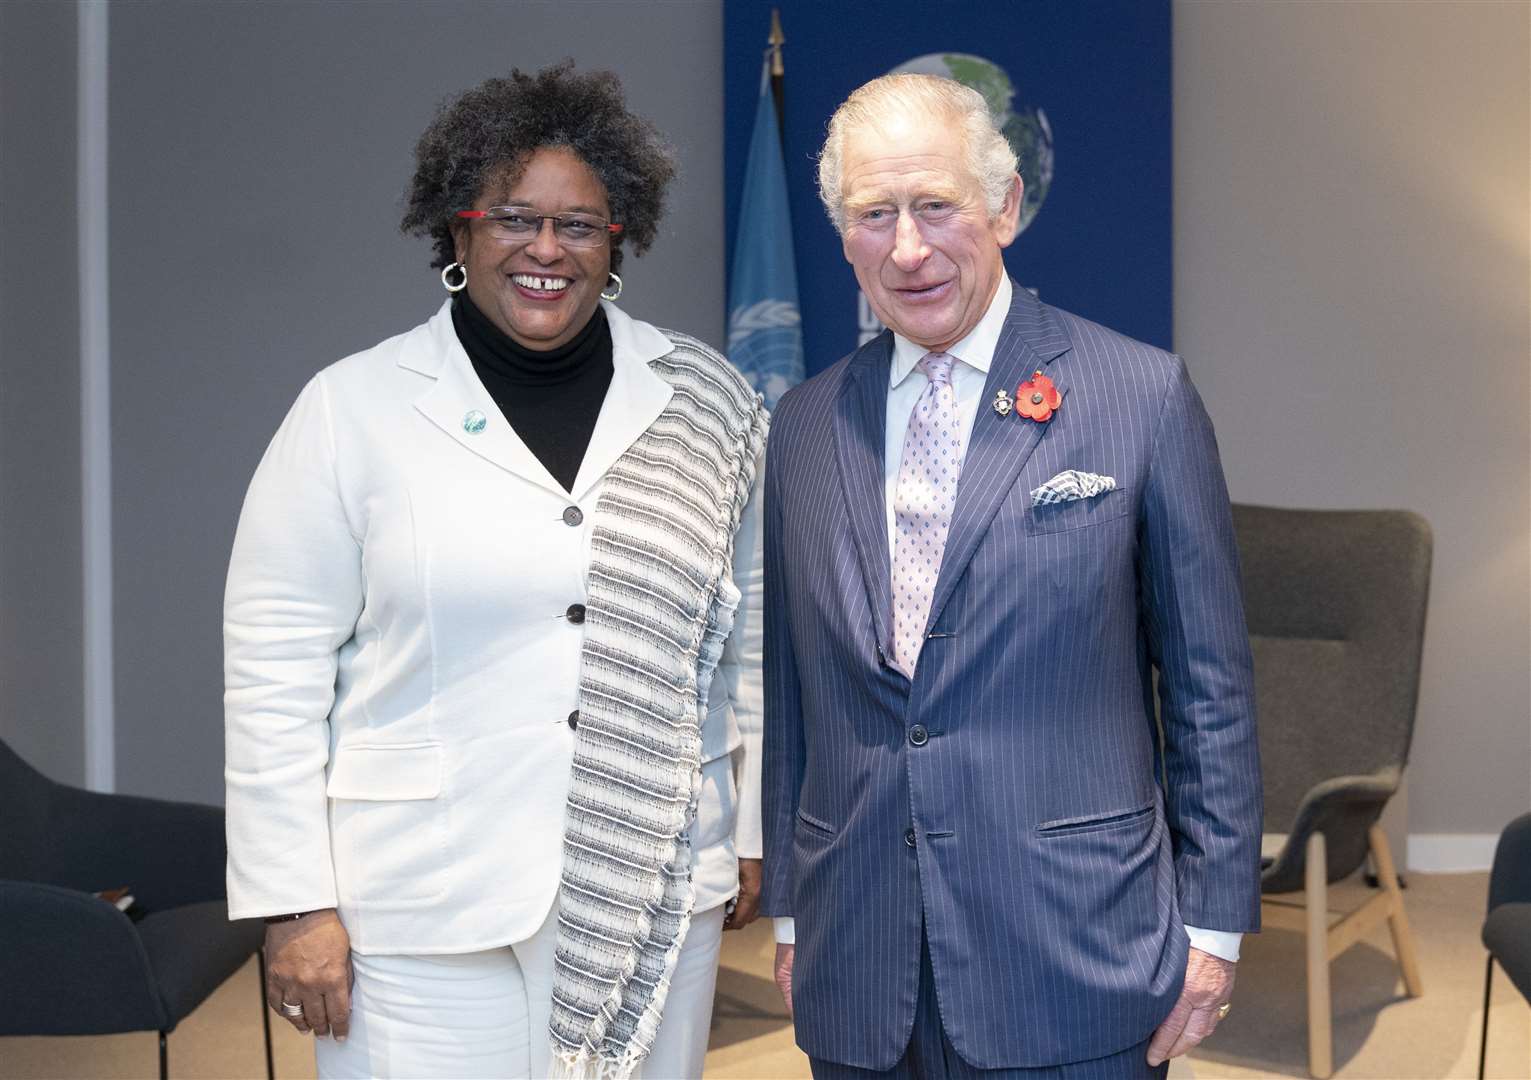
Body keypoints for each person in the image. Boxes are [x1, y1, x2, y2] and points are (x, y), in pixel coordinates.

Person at [224, 63, 767, 1080]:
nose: (548, 250)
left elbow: (750, 637)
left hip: (652, 875)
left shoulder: (707, 403)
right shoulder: (354, 408)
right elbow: (272, 667)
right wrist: (294, 900)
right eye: (515, 218)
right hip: (423, 900)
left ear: (619, 240)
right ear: (458, 230)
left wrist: (745, 825)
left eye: (581, 225)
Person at [760, 73, 1262, 1080]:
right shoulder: (804, 424)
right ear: (842, 234)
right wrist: (788, 902)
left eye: (934, 205)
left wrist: (1214, 929)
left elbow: (1208, 685)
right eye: (873, 215)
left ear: (1005, 207)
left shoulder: (1137, 395)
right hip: (858, 949)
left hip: (1077, 945)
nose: (907, 248)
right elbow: (794, 690)